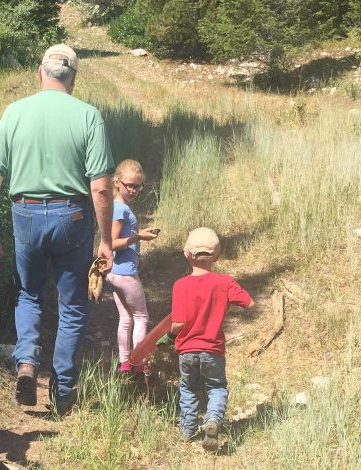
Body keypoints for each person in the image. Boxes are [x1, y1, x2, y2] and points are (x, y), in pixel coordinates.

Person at [0, 43, 115, 416]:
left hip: (24, 213)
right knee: (72, 306)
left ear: (39, 73)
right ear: (73, 78)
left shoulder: (14, 112)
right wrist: (105, 240)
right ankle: (63, 391)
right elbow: (101, 186)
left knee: (29, 294)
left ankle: (26, 363)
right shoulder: (89, 116)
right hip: (71, 216)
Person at [169, 228, 254, 451]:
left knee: (188, 388)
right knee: (216, 387)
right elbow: (249, 303)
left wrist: (168, 336)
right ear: (216, 256)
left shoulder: (180, 285)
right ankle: (213, 420)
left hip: (186, 350)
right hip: (213, 350)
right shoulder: (224, 282)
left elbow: (178, 324)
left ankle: (187, 431)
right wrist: (226, 301)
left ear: (186, 254)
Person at [105, 159, 159, 373]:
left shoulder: (117, 206)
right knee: (140, 317)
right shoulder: (120, 210)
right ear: (117, 182)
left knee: (126, 318)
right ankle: (139, 362)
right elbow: (112, 243)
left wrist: (137, 254)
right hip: (125, 274)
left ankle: (125, 363)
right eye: (130, 185)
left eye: (138, 186)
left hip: (116, 273)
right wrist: (138, 237)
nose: (134, 190)